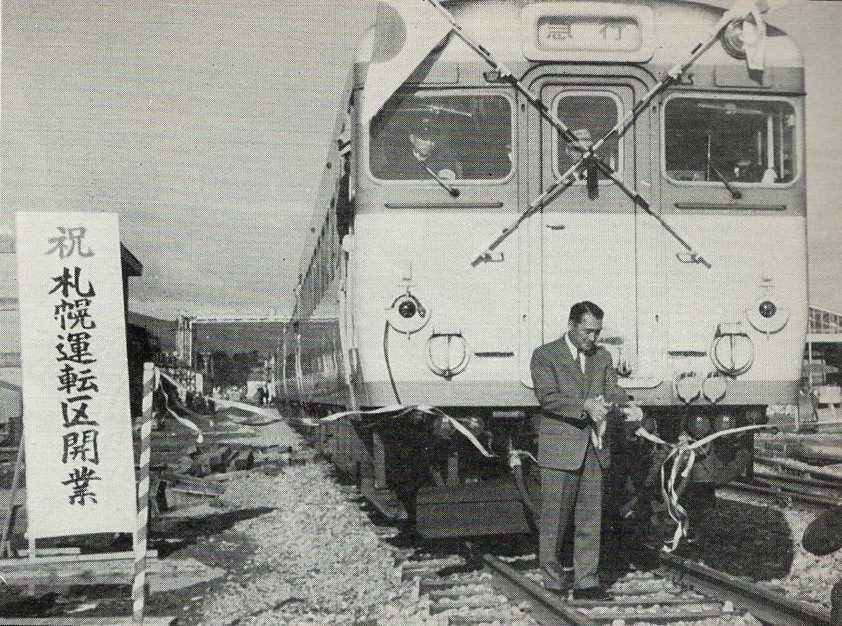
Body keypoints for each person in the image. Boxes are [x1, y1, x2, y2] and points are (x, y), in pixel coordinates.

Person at [530, 301, 640, 600]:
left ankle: (586, 582)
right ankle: (552, 583)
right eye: (588, 331)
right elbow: (547, 398)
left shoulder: (602, 357)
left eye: (597, 332)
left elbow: (611, 390)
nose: (592, 338)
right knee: (554, 522)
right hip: (559, 450)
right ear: (571, 325)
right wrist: (585, 406)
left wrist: (627, 404)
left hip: (593, 449)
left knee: (590, 520)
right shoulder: (544, 356)